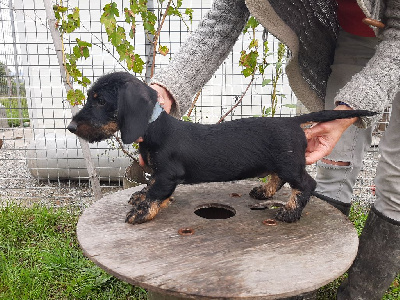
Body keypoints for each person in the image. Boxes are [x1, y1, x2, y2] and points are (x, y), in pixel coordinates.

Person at [148, 0, 400, 298]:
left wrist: (350, 107)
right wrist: (168, 86)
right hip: (355, 36)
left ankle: (359, 295)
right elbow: (225, 16)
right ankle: (306, 284)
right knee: (332, 165)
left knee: (396, 182)